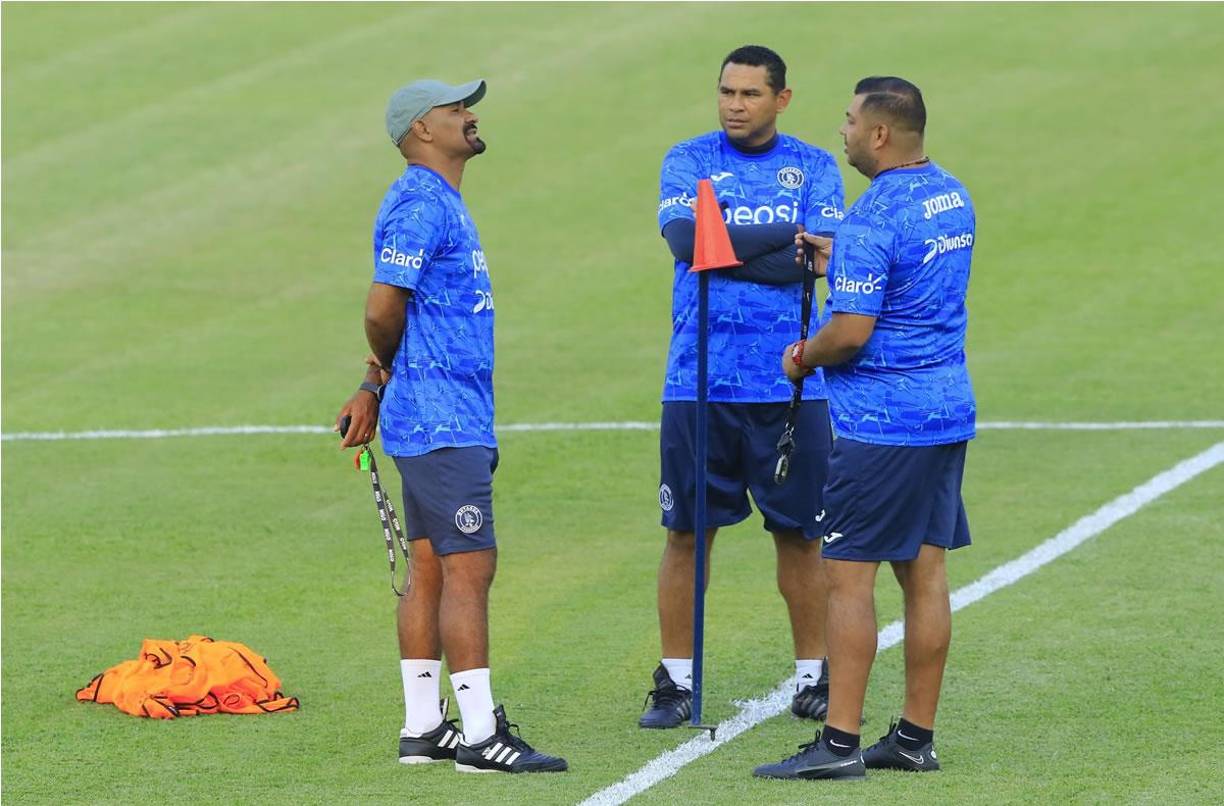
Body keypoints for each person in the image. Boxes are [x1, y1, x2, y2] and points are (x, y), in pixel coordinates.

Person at [333, 77, 566, 775]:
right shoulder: (419, 202)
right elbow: (383, 304)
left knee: (431, 567)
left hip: (434, 414)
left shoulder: (437, 201)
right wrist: (384, 371)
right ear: (421, 130)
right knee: (470, 569)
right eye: (456, 109)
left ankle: (424, 727)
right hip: (441, 419)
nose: (471, 115)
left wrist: (376, 382)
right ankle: (481, 736)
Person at [753, 76, 976, 781]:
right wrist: (839, 259)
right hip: (946, 409)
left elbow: (849, 332)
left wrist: (801, 357)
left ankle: (839, 743)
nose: (843, 131)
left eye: (850, 121)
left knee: (846, 577)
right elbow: (910, 280)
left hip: (883, 424)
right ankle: (914, 738)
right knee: (925, 571)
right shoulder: (951, 194)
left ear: (880, 134)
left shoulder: (874, 217)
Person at [640, 45, 845, 729]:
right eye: (726, 91)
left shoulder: (815, 166)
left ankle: (815, 676)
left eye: (751, 94)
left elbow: (814, 261)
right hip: (697, 383)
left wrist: (727, 245)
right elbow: (682, 241)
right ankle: (674, 681)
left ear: (782, 98)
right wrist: (780, 241)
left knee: (800, 536)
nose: (735, 105)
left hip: (793, 383)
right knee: (685, 534)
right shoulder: (688, 159)